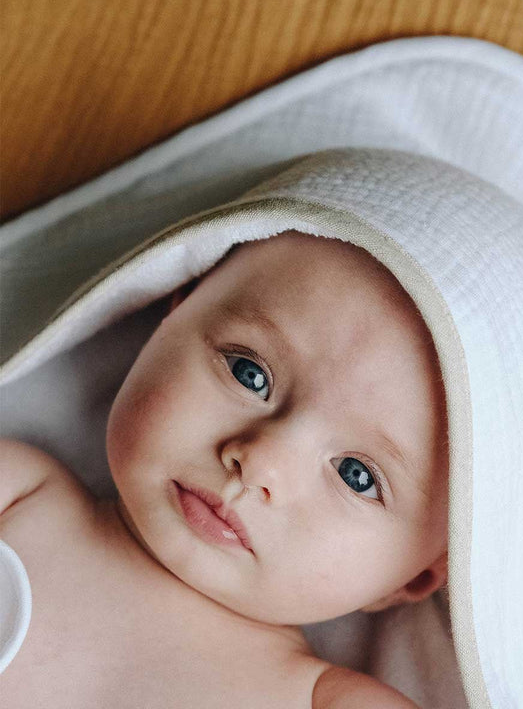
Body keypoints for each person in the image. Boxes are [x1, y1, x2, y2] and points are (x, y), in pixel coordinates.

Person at [0, 229, 450, 708]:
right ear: (174, 310)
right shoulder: (22, 493)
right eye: (248, 373)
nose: (260, 463)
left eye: (356, 475)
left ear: (411, 580)